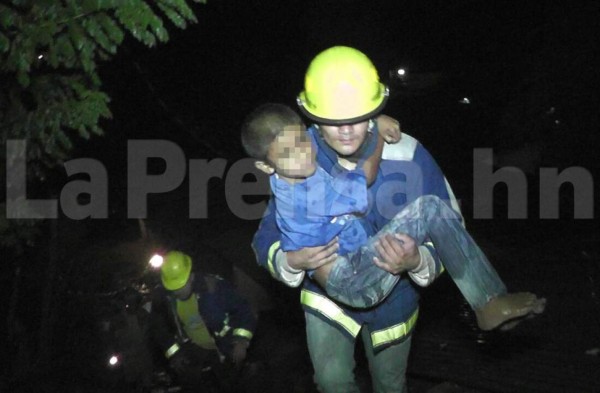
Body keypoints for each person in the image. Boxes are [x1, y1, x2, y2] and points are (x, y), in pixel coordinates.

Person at [250, 46, 545, 393]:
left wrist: (417, 259)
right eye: (333, 120)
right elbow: (267, 234)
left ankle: (489, 302)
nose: (345, 130)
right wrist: (290, 260)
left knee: (390, 385)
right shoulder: (296, 154)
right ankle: (489, 301)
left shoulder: (409, 153)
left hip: (393, 303)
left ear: (376, 108)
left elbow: (452, 229)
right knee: (331, 383)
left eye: (359, 116)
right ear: (313, 117)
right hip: (327, 298)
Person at [241, 102, 546, 320]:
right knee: (429, 208)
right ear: (265, 166)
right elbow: (366, 177)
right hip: (348, 281)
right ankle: (488, 302)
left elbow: (323, 122)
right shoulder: (302, 194)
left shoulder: (291, 164)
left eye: (302, 142)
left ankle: (491, 301)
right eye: (287, 153)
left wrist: (371, 116)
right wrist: (374, 134)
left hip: (360, 267)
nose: (303, 153)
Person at [150, 251, 257, 392]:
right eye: (172, 288)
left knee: (235, 385)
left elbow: (243, 310)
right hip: (196, 351)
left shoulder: (214, 287)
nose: (177, 293)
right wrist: (175, 353)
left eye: (180, 286)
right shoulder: (165, 299)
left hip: (226, 349)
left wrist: (241, 341)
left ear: (190, 276)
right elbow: (159, 327)